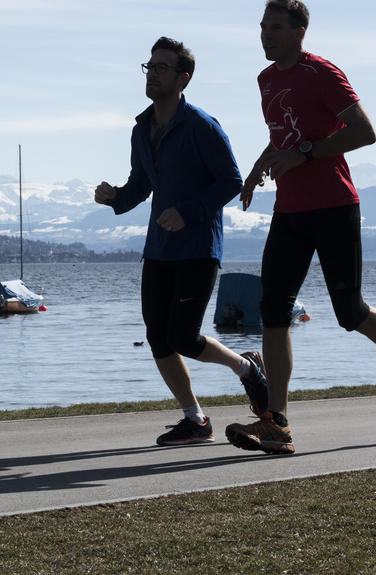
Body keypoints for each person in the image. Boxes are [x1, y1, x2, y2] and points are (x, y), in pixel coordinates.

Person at [227, 0, 376, 455]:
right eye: (262, 27)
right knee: (273, 309)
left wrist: (304, 152)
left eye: (276, 28)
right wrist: (258, 167)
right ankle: (277, 422)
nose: (266, 35)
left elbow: (364, 132)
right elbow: (281, 134)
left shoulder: (322, 73)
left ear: (300, 32)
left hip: (334, 207)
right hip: (289, 211)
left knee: (350, 311)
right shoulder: (266, 80)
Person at [95, 36, 268, 446]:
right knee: (158, 336)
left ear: (182, 78)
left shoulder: (202, 126)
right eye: (149, 67)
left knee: (184, 337)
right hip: (158, 250)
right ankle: (195, 419)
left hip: (197, 249)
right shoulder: (142, 127)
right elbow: (142, 183)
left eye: (162, 68)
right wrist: (116, 196)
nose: (152, 74)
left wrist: (187, 212)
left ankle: (246, 368)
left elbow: (229, 181)